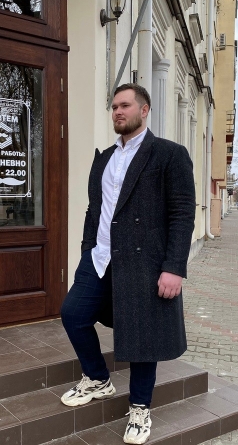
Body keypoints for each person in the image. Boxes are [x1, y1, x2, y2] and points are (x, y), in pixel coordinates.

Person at [60, 83, 196, 444]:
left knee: (141, 335)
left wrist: (174, 267)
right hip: (100, 257)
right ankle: (98, 378)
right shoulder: (104, 158)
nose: (118, 112)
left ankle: (139, 407)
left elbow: (182, 214)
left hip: (144, 261)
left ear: (144, 110)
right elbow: (94, 210)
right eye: (114, 107)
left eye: (125, 105)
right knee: (73, 314)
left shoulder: (169, 154)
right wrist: (87, 250)